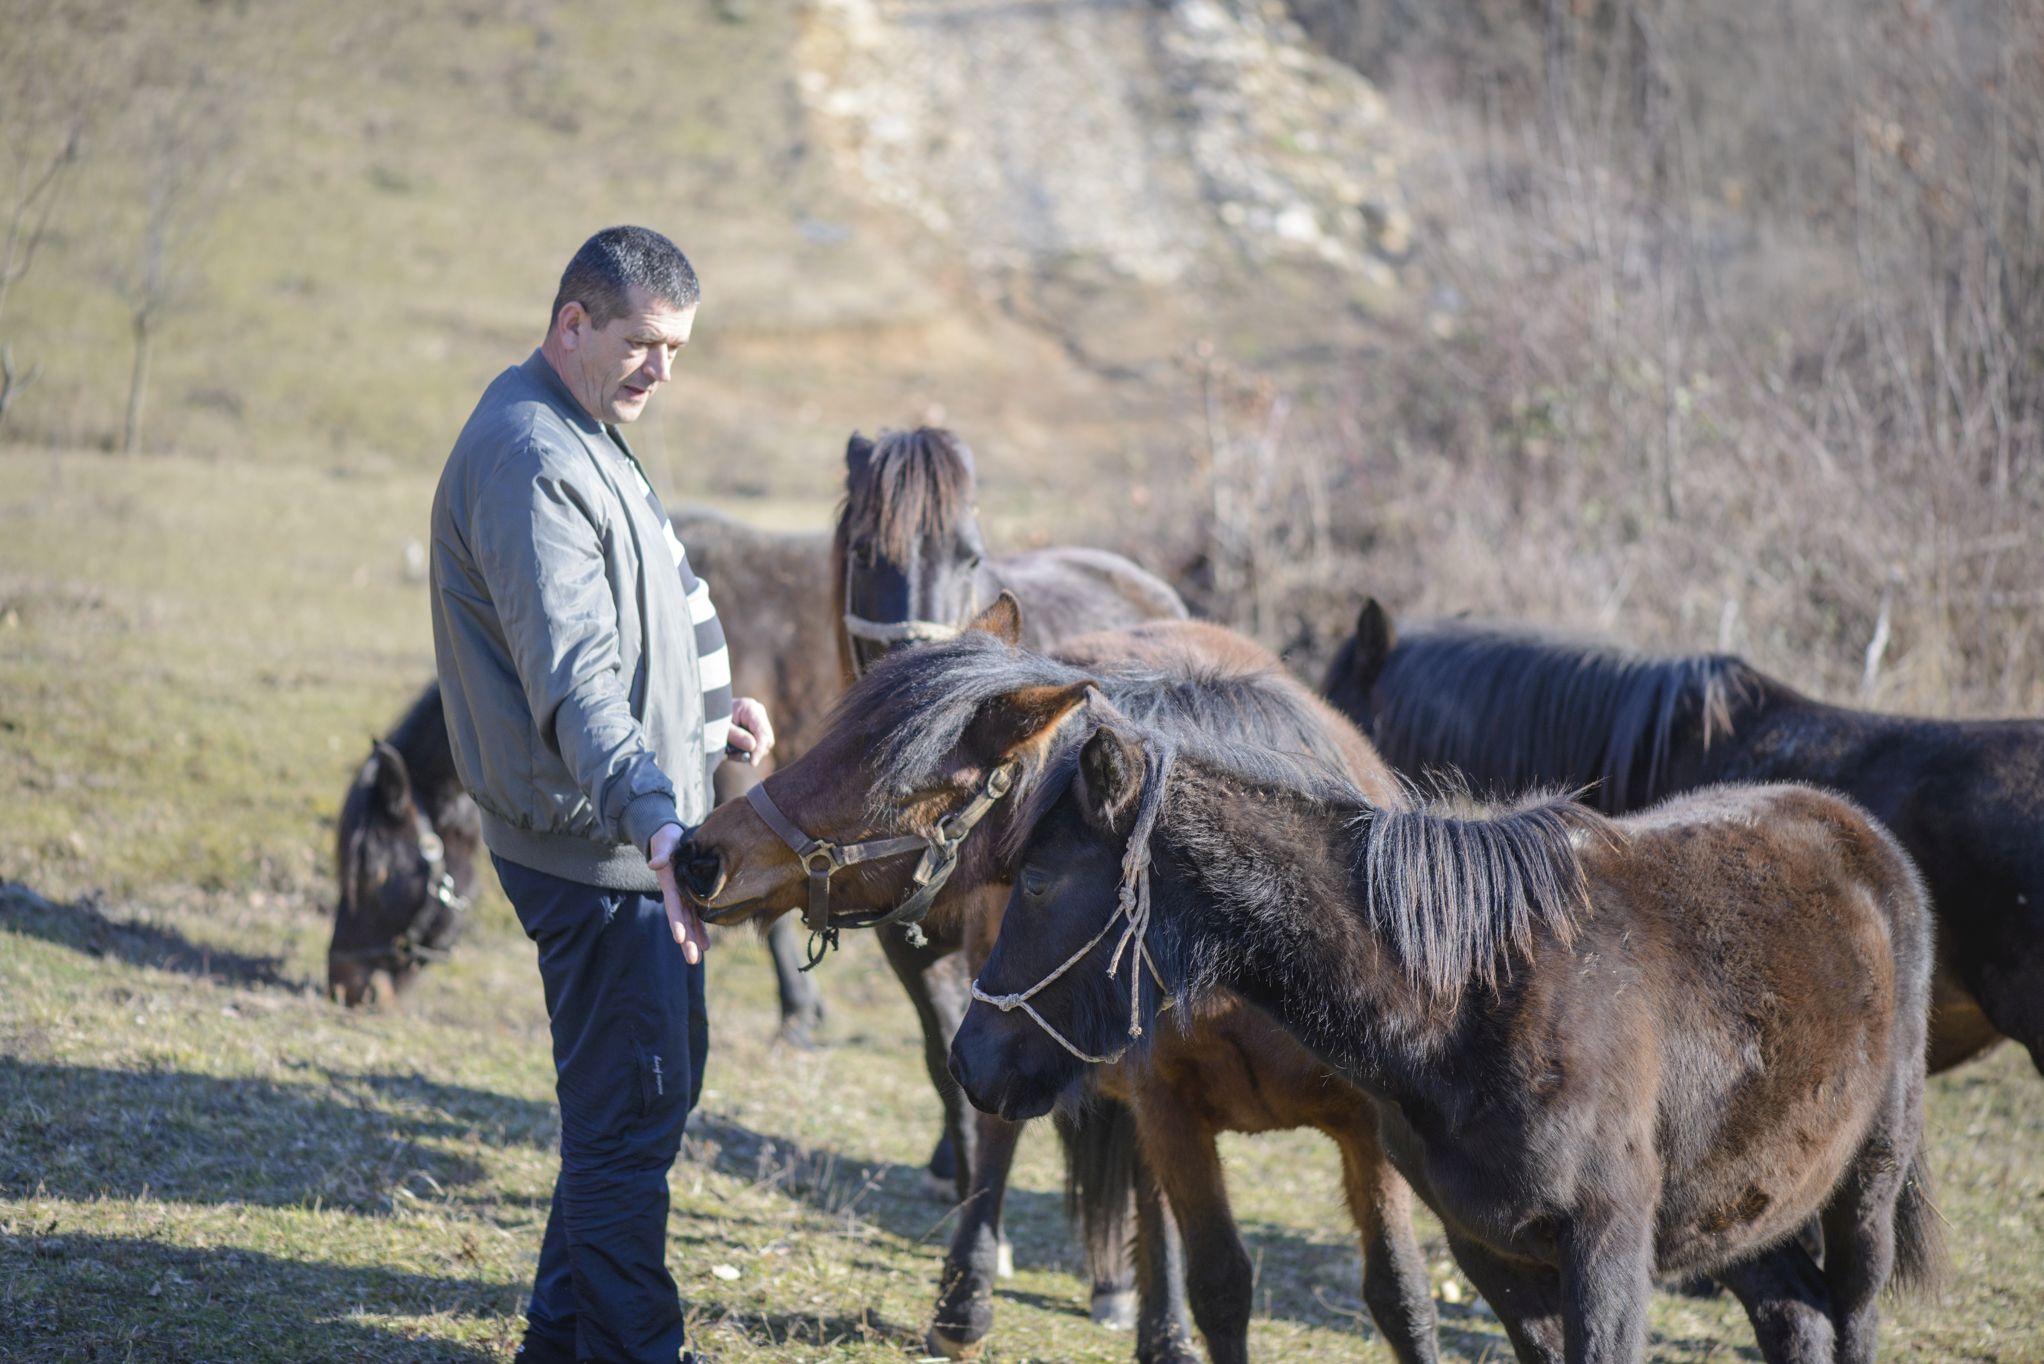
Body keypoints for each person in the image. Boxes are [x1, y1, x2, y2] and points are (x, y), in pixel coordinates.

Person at [429, 225, 772, 1363]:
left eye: (676, 349)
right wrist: (663, 823)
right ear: (572, 322)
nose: (660, 371)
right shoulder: (533, 457)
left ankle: (554, 1344)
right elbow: (573, 678)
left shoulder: (583, 424)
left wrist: (704, 719)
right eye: (642, 343)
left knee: (628, 1122)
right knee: (628, 1133)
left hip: (629, 834)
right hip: (607, 852)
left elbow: (629, 622)